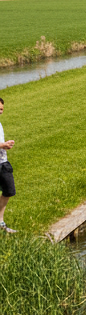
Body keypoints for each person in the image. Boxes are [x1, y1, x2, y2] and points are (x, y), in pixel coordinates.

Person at [0, 98, 15, 233]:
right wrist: (2, 145)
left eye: (2, 110)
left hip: (3, 162)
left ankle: (1, 222)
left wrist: (5, 144)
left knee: (9, 190)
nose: (0, 112)